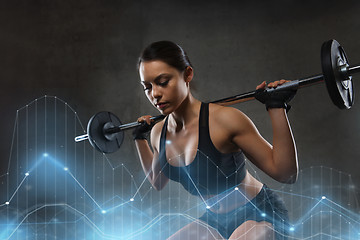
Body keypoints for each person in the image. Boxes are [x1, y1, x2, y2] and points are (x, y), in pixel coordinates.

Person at [133, 40, 298, 240]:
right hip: (214, 220)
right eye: (147, 87)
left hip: (259, 213)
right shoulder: (158, 132)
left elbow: (286, 174)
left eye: (163, 82)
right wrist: (139, 137)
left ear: (187, 74)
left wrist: (276, 107)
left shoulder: (224, 120)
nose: (155, 94)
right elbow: (157, 181)